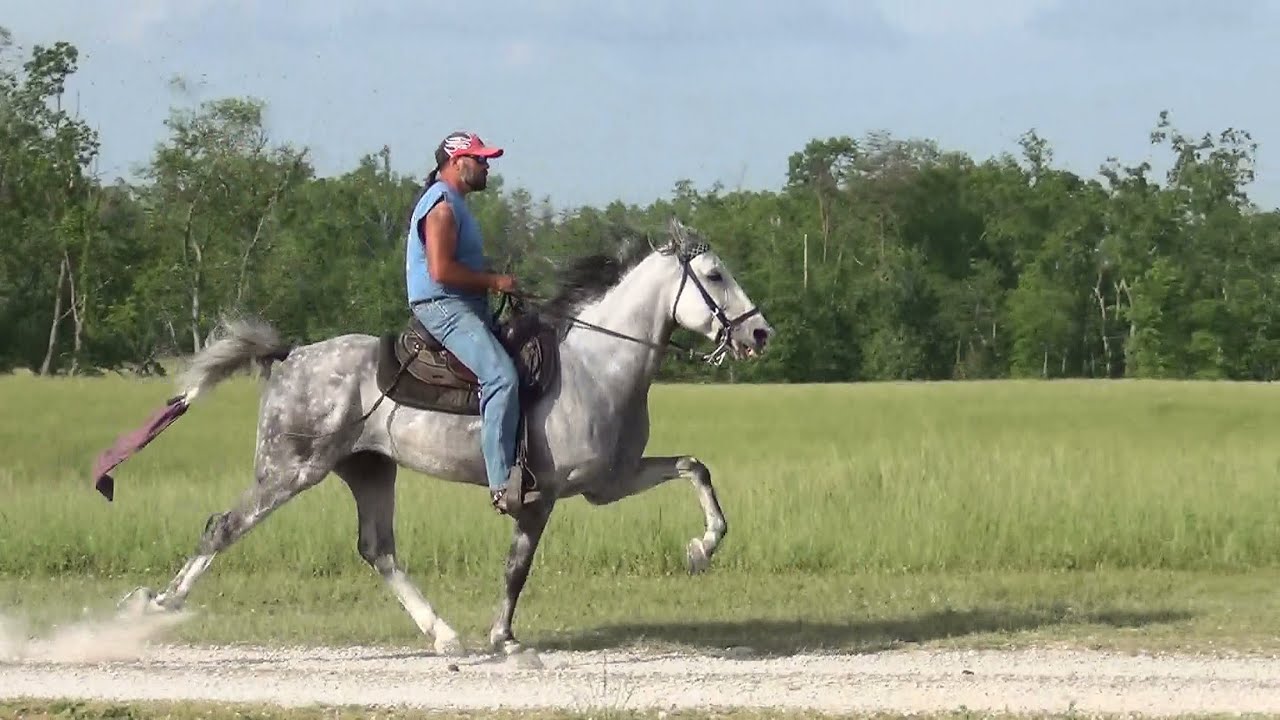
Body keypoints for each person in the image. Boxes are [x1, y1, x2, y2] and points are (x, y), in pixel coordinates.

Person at [405, 130, 528, 514]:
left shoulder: (456, 203)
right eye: (481, 159)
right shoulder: (441, 205)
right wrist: (494, 281)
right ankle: (500, 483)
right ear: (458, 163)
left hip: (463, 303)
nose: (487, 166)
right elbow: (441, 270)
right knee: (501, 377)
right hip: (442, 305)